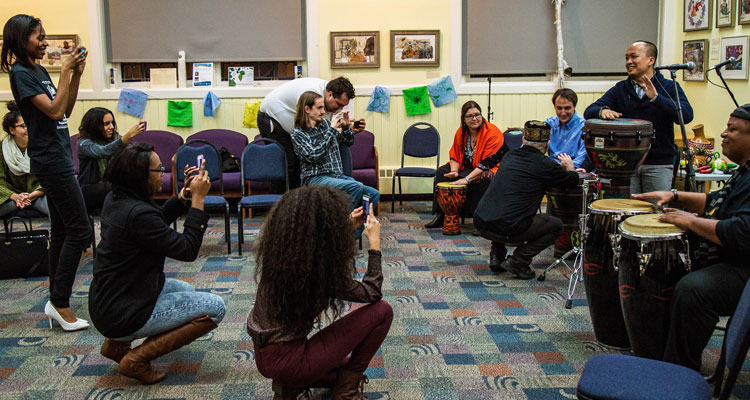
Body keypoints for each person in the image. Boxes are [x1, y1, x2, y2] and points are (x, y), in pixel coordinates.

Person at [88, 142, 226, 385]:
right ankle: (136, 359)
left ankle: (116, 345)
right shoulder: (138, 213)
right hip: (123, 312)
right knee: (215, 307)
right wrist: (198, 200)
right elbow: (187, 249)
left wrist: (183, 195)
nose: (164, 173)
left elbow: (156, 222)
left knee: (186, 291)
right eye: (159, 169)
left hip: (109, 301)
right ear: (141, 176)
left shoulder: (118, 199)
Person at [633, 104, 750, 371]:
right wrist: (674, 195)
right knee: (662, 268)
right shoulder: (744, 171)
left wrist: (691, 221)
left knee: (694, 289)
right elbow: (717, 202)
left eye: (732, 129)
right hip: (730, 258)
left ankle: (680, 369)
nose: (723, 134)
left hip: (743, 268)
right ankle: (656, 351)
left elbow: (742, 232)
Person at [247, 186, 392, 399]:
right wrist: (375, 245)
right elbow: (372, 292)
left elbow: (312, 243)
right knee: (383, 311)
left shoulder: (279, 255)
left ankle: (290, 385)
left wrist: (344, 227)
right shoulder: (319, 272)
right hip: (290, 359)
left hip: (264, 357)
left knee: (339, 369)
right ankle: (345, 391)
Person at [2, 14, 92, 331]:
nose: (44, 42)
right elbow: (53, 110)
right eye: (39, 37)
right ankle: (59, 302)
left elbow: (64, 111)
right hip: (49, 160)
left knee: (65, 230)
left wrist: (76, 75)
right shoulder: (21, 73)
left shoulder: (39, 70)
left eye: (44, 37)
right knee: (81, 230)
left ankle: (57, 299)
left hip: (58, 154)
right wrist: (65, 68)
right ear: (19, 39)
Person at [584, 40, 693, 194]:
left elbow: (686, 115)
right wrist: (601, 111)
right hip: (627, 165)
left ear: (651, 60)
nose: (629, 62)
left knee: (655, 213)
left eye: (633, 57)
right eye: (626, 58)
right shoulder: (621, 89)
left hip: (658, 164)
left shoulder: (667, 87)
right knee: (629, 212)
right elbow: (589, 110)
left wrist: (656, 98)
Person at [473, 121, 580, 279]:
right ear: (547, 144)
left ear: (523, 140)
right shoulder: (546, 165)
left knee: (506, 206)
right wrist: (570, 166)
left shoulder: (509, 156)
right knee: (556, 225)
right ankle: (518, 260)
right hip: (510, 227)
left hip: (481, 222)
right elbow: (572, 180)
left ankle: (496, 255)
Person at [290, 91, 380, 236]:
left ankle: (351, 233)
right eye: (319, 108)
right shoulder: (298, 134)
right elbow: (314, 155)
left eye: (322, 108)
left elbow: (347, 141)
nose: (323, 111)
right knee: (356, 187)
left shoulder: (325, 124)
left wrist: (345, 127)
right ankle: (342, 233)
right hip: (315, 178)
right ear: (307, 109)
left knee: (372, 194)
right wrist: (332, 130)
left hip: (336, 176)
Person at [258, 77, 366, 190]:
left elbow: (335, 136)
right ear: (330, 94)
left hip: (291, 115)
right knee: (287, 163)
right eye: (338, 104)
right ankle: (283, 203)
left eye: (343, 106)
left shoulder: (329, 100)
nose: (340, 108)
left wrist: (347, 129)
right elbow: (306, 135)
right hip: (272, 114)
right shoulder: (310, 94)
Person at [425, 101, 506, 229]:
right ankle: (443, 215)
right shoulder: (461, 132)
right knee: (441, 172)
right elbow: (455, 155)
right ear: (463, 118)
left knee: (484, 178)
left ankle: (479, 221)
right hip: (467, 167)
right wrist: (454, 171)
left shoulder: (492, 132)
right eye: (469, 116)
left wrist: (466, 179)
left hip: (489, 168)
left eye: (477, 115)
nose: (474, 119)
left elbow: (487, 163)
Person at [77, 107, 144, 212]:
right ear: (95, 126)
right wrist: (127, 136)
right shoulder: (83, 144)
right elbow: (103, 151)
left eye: (112, 123)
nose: (111, 127)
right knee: (118, 186)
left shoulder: (115, 139)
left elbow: (128, 152)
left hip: (108, 185)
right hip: (88, 190)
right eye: (106, 124)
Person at [0, 101, 47, 217]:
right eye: (23, 126)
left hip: (38, 194)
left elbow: (50, 176)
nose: (29, 129)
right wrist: (15, 196)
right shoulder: (2, 149)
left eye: (31, 124)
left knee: (60, 205)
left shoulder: (44, 145)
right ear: (12, 130)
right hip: (11, 197)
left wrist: (31, 195)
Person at [546, 88, 588, 170]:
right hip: (553, 169)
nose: (563, 112)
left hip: (573, 169)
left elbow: (581, 158)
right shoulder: (549, 123)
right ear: (554, 107)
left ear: (574, 106)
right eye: (559, 108)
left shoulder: (584, 127)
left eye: (567, 108)